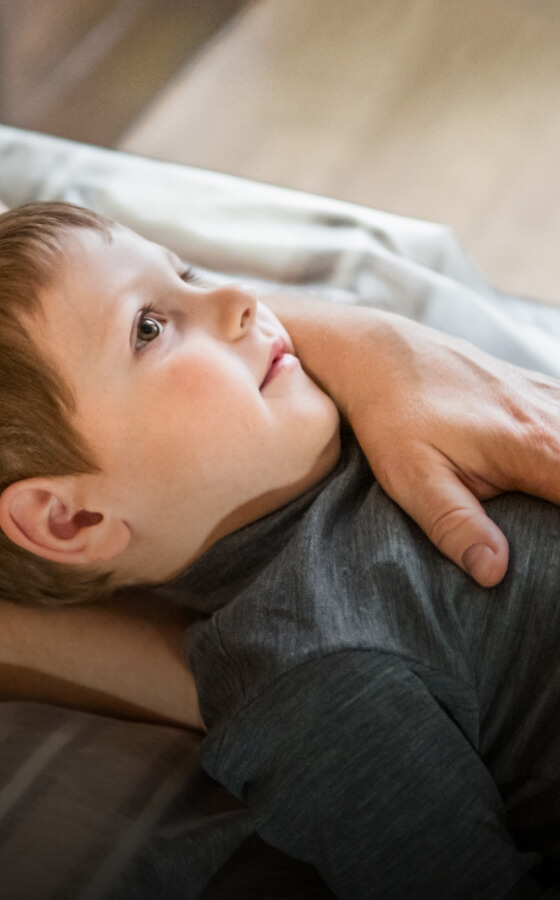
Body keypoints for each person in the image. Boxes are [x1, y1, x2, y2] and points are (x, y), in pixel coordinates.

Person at [2, 202, 560, 897]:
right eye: (149, 328)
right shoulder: (315, 682)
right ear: (71, 520)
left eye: (187, 272)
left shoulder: (329, 424)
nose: (239, 298)